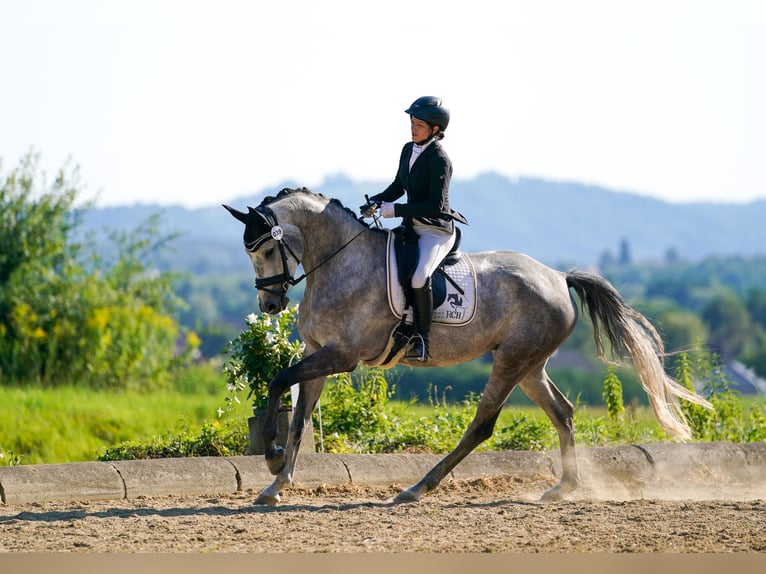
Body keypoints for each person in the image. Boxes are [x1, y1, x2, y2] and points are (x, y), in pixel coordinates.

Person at [360, 96, 467, 361]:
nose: (413, 127)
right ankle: (400, 321)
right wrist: (376, 201)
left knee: (419, 277)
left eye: (419, 124)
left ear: (435, 130)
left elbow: (434, 205)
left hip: (436, 231)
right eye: (412, 122)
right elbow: (398, 186)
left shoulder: (441, 161)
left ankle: (421, 338)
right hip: (411, 226)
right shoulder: (408, 149)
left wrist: (395, 211)